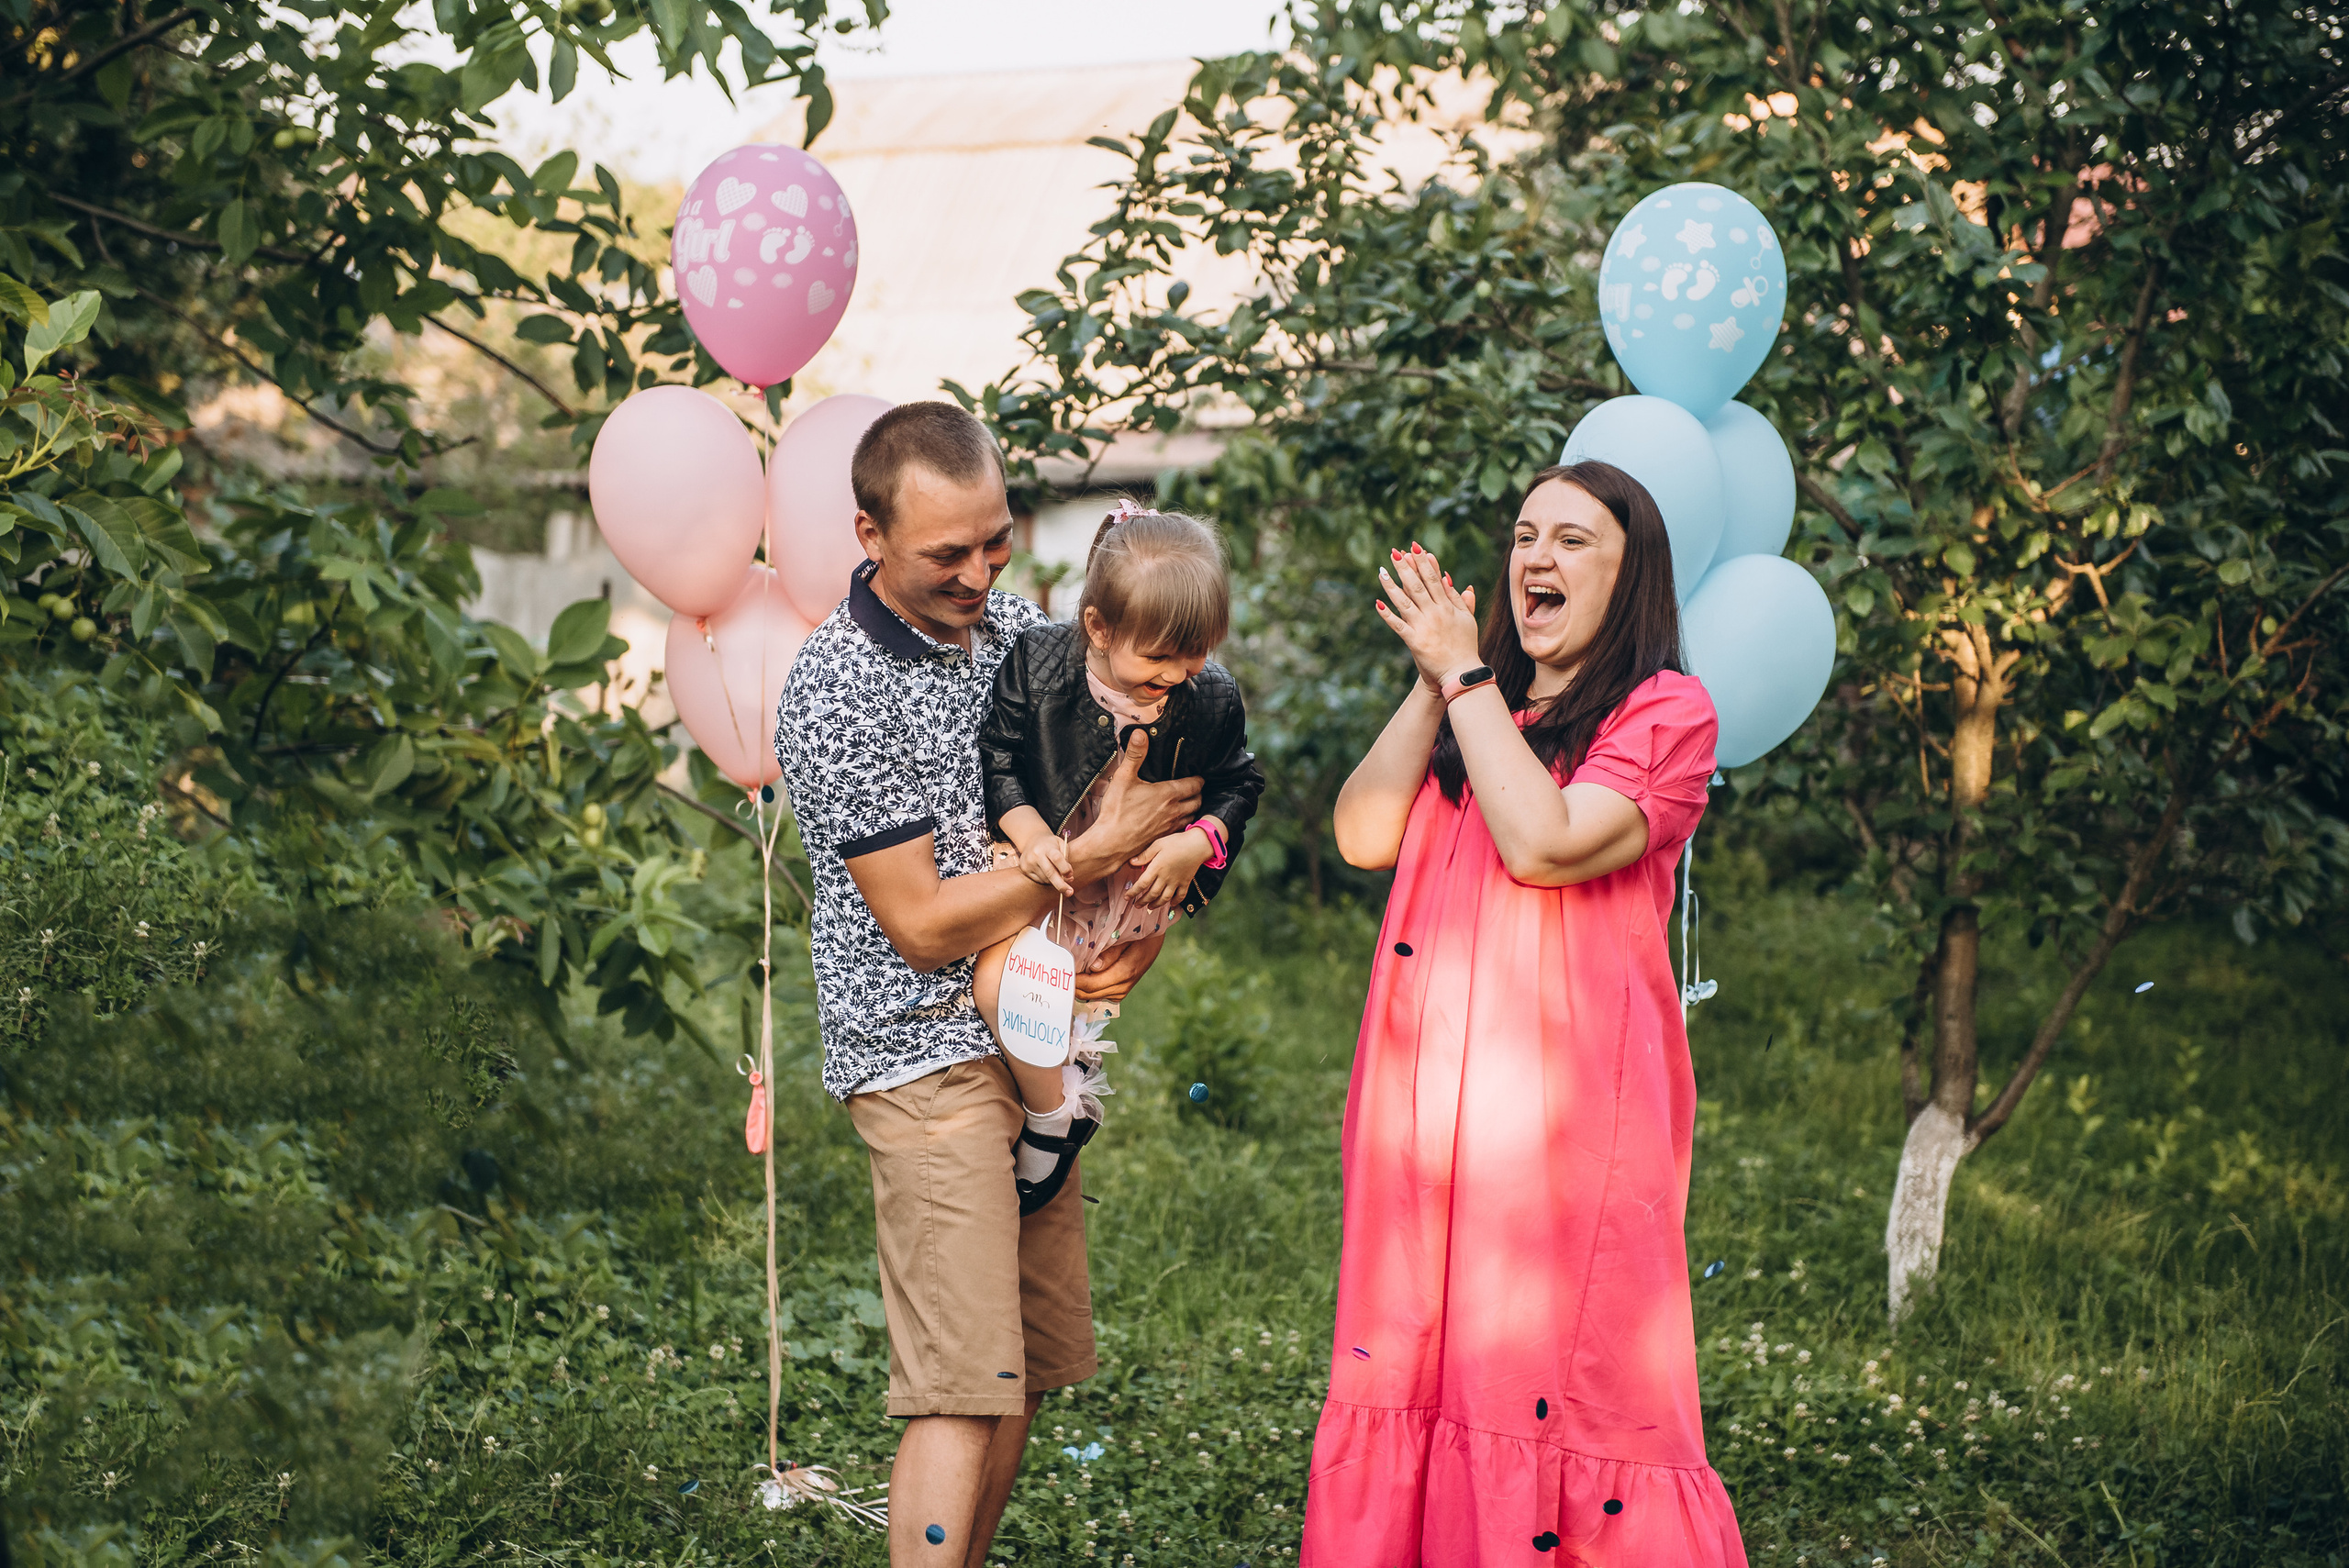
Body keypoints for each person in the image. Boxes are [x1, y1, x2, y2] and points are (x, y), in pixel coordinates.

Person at [773, 403, 1203, 1566]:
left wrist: (1140, 907)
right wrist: (1101, 850)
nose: (979, 574)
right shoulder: (838, 690)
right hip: (920, 1055)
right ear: (868, 532)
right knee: (958, 1384)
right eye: (944, 554)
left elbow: (1134, 773)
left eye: (996, 542)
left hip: (1036, 1037)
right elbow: (918, 924)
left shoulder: (1018, 632)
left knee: (1014, 1368)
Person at [1303, 461, 1747, 1565]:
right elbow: (1362, 831)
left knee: (1559, 1380)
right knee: (1410, 1358)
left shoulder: (1666, 712)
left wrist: (1466, 675)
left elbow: (1543, 842)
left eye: (1571, 541)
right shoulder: (1476, 706)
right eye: (1522, 536)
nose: (1534, 559)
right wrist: (1436, 679)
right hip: (1422, 1104)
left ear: (1629, 575)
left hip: (1565, 1123)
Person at [971, 501, 1265, 1214]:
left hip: (1135, 890)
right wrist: (1031, 833)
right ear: (1098, 628)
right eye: (1160, 656)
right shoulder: (1041, 665)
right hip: (1059, 871)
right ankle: (1054, 1114)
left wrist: (1198, 844)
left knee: (1066, 987)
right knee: (997, 984)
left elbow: (1239, 783)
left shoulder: (1210, 696)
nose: (1180, 673)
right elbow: (1000, 758)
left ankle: (1066, 1082)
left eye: (1196, 654)